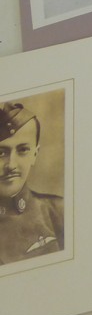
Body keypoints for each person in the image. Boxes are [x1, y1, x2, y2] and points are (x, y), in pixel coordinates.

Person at [0, 101, 64, 265]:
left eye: (22, 150)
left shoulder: (58, 211)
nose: (11, 165)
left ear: (35, 154)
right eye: (1, 153)